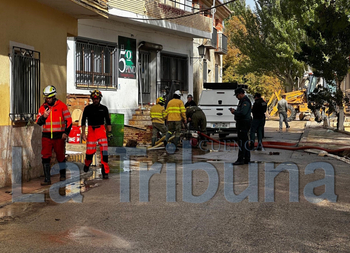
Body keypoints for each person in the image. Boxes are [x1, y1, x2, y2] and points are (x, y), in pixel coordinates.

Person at [36, 85, 72, 185]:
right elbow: (38, 122)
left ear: (54, 96)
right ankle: (47, 179)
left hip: (59, 136)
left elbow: (69, 120)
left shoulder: (62, 106)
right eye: (46, 98)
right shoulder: (43, 107)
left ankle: (63, 175)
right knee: (45, 156)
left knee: (60, 156)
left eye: (49, 97)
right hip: (46, 136)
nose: (48, 99)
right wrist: (44, 116)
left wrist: (66, 133)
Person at [81, 89, 112, 179]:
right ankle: (87, 164)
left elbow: (108, 121)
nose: (96, 100)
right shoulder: (88, 109)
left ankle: (105, 172)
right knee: (90, 152)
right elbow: (83, 121)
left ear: (100, 99)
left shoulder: (104, 108)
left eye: (97, 99)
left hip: (101, 130)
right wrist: (83, 133)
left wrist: (109, 132)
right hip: (91, 130)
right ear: (92, 99)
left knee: (104, 152)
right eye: (94, 99)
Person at [229, 87, 252, 165]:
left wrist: (234, 112)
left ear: (241, 94)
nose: (236, 97)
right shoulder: (242, 101)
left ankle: (241, 159)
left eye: (237, 95)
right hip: (242, 123)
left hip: (243, 124)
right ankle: (246, 158)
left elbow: (243, 113)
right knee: (244, 141)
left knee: (242, 142)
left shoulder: (245, 102)